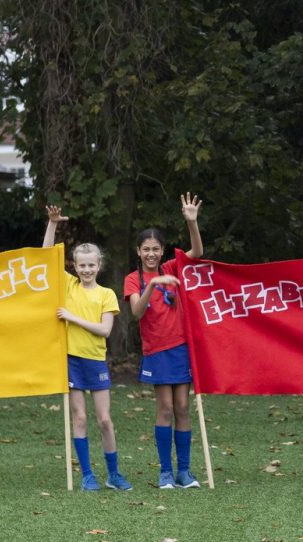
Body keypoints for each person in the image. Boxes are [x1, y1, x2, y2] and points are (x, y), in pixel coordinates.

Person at [43, 206, 130, 491]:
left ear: (99, 266)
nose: (86, 270)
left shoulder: (107, 294)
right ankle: (87, 476)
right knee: (79, 418)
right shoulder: (68, 286)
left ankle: (114, 474)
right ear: (74, 266)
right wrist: (52, 224)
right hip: (71, 360)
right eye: (81, 265)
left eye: (91, 265)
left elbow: (105, 330)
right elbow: (45, 257)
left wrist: (72, 318)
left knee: (104, 420)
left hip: (95, 361)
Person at [124, 193, 203, 489]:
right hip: (156, 351)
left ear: (162, 250)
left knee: (183, 407)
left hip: (180, 347)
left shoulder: (171, 268)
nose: (151, 254)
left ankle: (184, 472)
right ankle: (165, 473)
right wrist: (153, 284)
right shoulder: (134, 279)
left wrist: (191, 221)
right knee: (165, 409)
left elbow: (196, 251)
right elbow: (136, 311)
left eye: (156, 249)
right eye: (146, 249)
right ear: (139, 251)